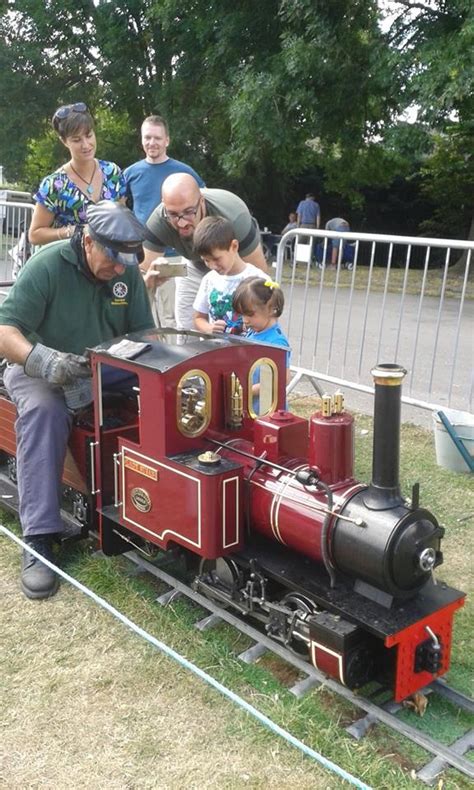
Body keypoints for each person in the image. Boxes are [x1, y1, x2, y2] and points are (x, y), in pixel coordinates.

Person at [0, 201, 153, 600]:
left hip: (103, 372)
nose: (120, 269)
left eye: (126, 262)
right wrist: (44, 359)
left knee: (155, 409)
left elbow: (146, 340)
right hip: (38, 369)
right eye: (112, 258)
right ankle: (39, 539)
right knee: (44, 410)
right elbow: (5, 331)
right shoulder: (47, 265)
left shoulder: (127, 273)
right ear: (87, 240)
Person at [142, 173, 267, 330]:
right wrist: (151, 280)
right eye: (173, 214)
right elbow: (142, 274)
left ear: (201, 201)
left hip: (234, 263)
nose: (181, 223)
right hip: (193, 263)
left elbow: (261, 283)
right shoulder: (159, 221)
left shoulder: (235, 215)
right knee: (186, 328)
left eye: (188, 212)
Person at [124, 116, 206, 329]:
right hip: (143, 254)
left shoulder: (184, 172)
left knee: (172, 315)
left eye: (157, 138)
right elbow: (121, 208)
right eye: (147, 137)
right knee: (146, 310)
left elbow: (203, 204)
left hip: (175, 255)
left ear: (167, 140)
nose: (152, 143)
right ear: (141, 140)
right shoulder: (131, 173)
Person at [28, 102, 126, 246]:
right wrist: (72, 231)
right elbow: (35, 235)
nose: (86, 145)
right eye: (77, 140)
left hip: (109, 261)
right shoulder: (54, 185)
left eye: (89, 135)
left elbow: (122, 217)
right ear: (64, 141)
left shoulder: (113, 172)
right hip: (69, 263)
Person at [192, 217, 266, 334]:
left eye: (216, 259)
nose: (212, 266)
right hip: (216, 349)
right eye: (206, 260)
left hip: (248, 349)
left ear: (234, 246)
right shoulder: (209, 280)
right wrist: (208, 328)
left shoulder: (258, 279)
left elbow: (270, 321)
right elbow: (198, 318)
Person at [232, 276, 291, 410]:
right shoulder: (253, 332)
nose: (245, 320)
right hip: (251, 406)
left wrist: (247, 391)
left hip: (266, 410)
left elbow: (283, 379)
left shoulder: (276, 342)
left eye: (250, 315)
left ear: (271, 310)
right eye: (242, 315)